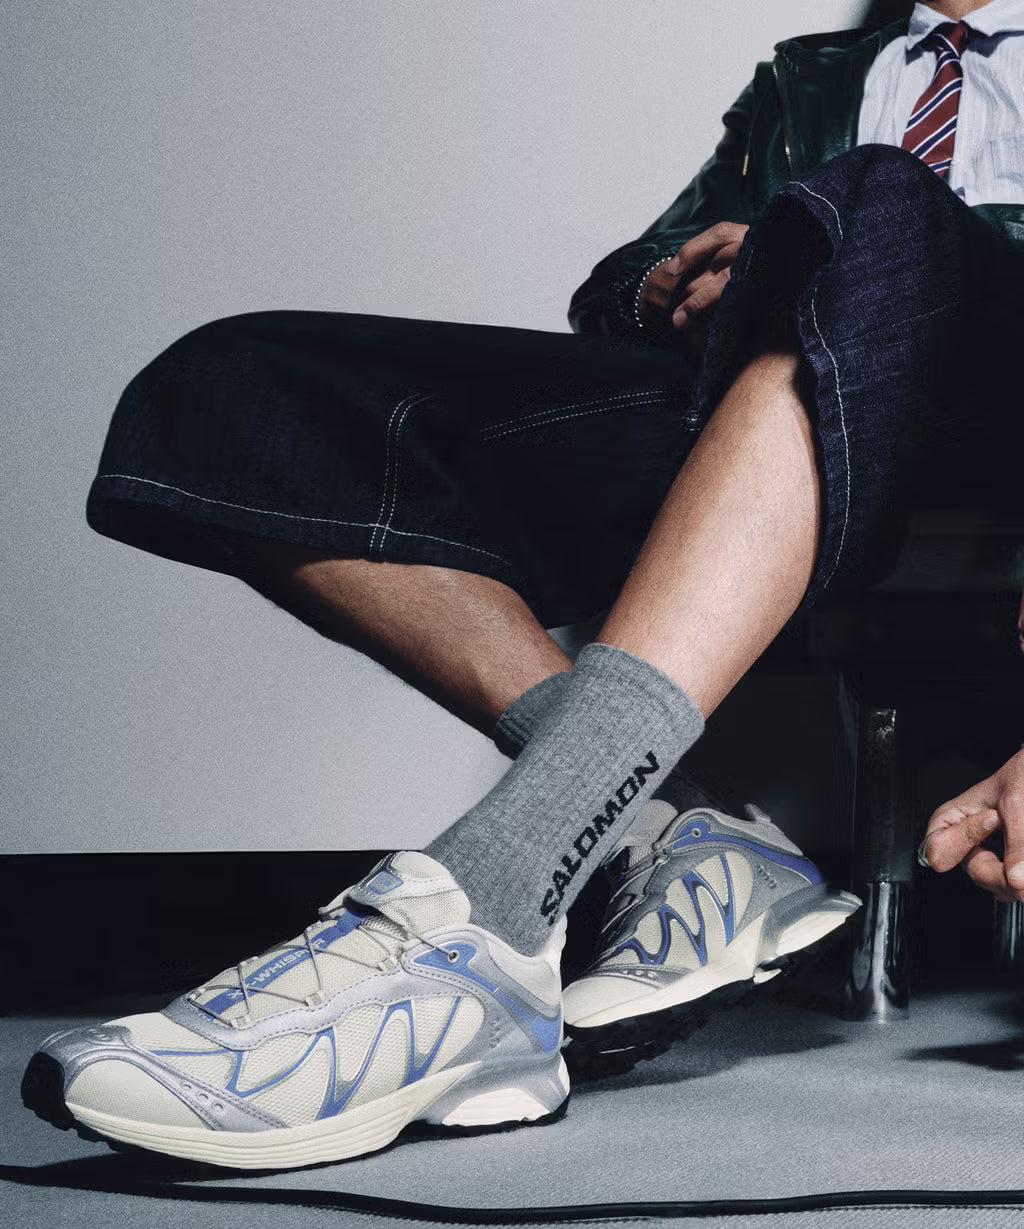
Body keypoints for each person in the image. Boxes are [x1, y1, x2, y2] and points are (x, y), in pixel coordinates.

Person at [22, 0, 1024, 1170]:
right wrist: (675, 283)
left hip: (982, 422)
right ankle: (673, 827)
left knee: (876, 203)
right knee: (228, 389)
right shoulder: (809, 77)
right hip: (775, 407)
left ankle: (485, 911)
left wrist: (855, 240)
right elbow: (617, 288)